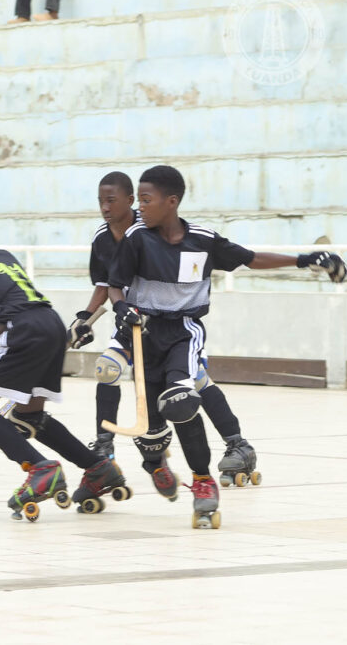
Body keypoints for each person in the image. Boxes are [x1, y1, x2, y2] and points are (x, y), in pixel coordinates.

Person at [107, 165, 347, 528]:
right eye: (138, 200)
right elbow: (115, 285)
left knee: (181, 402)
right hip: (145, 337)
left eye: (146, 199)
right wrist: (122, 308)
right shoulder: (136, 238)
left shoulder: (203, 241)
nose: (139, 207)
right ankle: (154, 462)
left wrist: (305, 260)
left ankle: (202, 481)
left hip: (183, 332)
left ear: (171, 202)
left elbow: (250, 259)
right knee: (153, 434)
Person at [0, 202, 129, 518]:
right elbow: (2, 318)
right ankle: (98, 468)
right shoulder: (4, 257)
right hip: (52, 326)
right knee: (29, 417)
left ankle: (41, 469)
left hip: (25, 331)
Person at [68, 171, 264, 495]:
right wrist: (85, 318)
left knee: (191, 385)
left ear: (131, 201)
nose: (104, 208)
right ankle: (107, 448)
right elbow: (107, 285)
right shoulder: (103, 238)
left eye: (111, 201)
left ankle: (236, 444)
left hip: (173, 324)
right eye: (100, 201)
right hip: (132, 323)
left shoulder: (152, 227)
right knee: (107, 370)